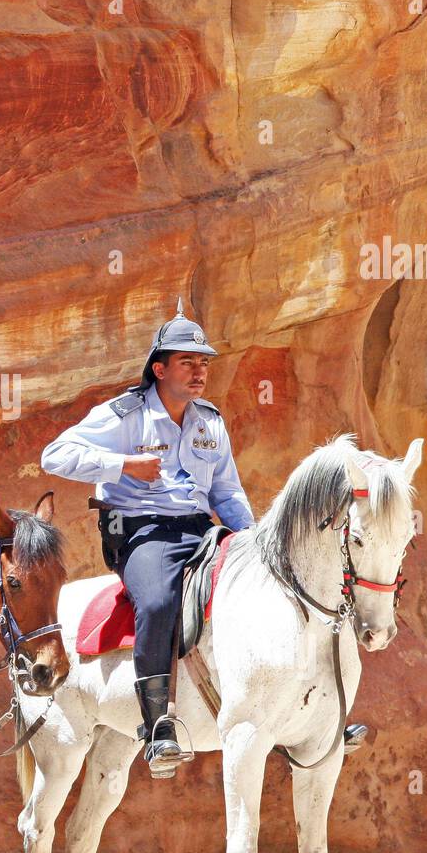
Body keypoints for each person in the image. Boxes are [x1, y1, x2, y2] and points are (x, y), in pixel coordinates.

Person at [40, 300, 255, 777]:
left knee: (267, 589)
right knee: (158, 602)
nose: (199, 371)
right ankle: (157, 726)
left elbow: (228, 491)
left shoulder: (209, 422)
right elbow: (55, 455)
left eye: (203, 363)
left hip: (201, 531)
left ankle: (293, 714)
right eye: (187, 362)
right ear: (159, 368)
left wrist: (254, 542)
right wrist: (122, 466)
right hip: (142, 533)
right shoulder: (125, 414)